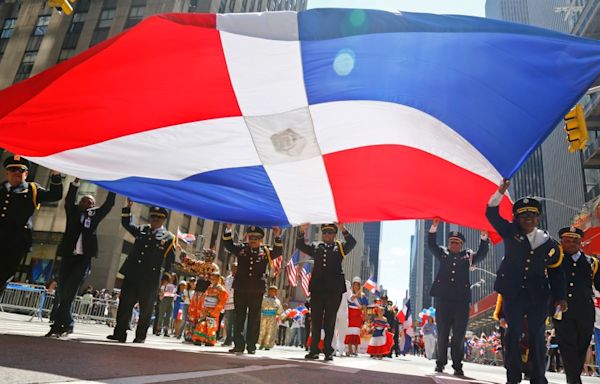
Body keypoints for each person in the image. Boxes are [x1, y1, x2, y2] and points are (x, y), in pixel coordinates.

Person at [486, 179, 567, 384]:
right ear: (516, 218)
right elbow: (491, 214)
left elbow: (556, 271)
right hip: (513, 293)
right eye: (523, 216)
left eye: (532, 215)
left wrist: (559, 297)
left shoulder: (549, 244)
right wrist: (500, 192)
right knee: (513, 334)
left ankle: (538, 378)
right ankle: (512, 378)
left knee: (537, 336)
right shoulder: (510, 232)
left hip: (538, 296)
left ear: (538, 218)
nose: (528, 219)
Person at [47, 178, 115, 337]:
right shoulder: (72, 212)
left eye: (90, 202)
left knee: (69, 292)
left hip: (83, 260)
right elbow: (69, 199)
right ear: (80, 203)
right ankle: (67, 324)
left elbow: (108, 206)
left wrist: (112, 188)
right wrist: (75, 183)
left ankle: (58, 325)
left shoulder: (95, 216)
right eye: (84, 200)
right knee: (62, 291)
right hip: (68, 257)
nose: (87, 203)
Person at [107, 201, 176, 343]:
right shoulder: (142, 229)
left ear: (163, 220)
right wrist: (127, 208)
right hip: (133, 273)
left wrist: (166, 277)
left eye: (158, 218)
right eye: (152, 217)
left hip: (150, 278)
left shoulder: (168, 237)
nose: (154, 221)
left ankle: (140, 336)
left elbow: (170, 261)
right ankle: (119, 333)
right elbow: (126, 224)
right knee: (125, 304)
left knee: (146, 308)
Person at [428, 218, 489, 375]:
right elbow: (431, 245)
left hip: (461, 302)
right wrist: (434, 227)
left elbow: (482, 254)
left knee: (459, 335)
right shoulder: (443, 253)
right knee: (442, 333)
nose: (454, 245)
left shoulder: (467, 256)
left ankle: (457, 365)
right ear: (449, 243)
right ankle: (440, 363)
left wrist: (483, 237)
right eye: (452, 242)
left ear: (461, 245)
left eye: (457, 243)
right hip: (443, 300)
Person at [0, 156, 63, 294]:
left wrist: (56, 174)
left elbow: (55, 195)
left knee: (4, 276)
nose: (16, 172)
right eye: (12, 169)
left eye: (21, 170)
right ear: (7, 173)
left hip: (16, 242)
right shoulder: (1, 188)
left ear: (26, 173)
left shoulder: (33, 189)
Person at [297, 223, 357, 361]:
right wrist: (301, 231)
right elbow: (300, 245)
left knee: (330, 321)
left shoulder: (340, 247)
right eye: (325, 233)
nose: (327, 235)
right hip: (317, 289)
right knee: (316, 321)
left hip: (334, 290)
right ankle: (314, 350)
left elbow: (352, 242)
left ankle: (328, 351)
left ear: (335, 234)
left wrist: (343, 228)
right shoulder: (316, 247)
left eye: (330, 232)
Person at [222, 224, 282, 354]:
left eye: (256, 238)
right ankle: (238, 344)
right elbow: (228, 245)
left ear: (260, 239)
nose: (253, 240)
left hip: (256, 290)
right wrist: (228, 229)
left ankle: (251, 345)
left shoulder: (265, 252)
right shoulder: (242, 249)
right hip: (240, 288)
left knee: (254, 319)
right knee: (239, 318)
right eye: (251, 237)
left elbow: (278, 252)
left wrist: (277, 236)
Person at [553, 226, 600, 384]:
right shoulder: (555, 261)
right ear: (562, 242)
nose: (571, 244)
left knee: (582, 346)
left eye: (575, 241)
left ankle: (574, 377)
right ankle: (573, 380)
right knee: (568, 347)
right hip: (563, 311)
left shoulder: (592, 263)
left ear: (581, 243)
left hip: (585, 312)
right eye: (567, 241)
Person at [190, 271, 228, 346]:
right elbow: (203, 298)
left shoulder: (221, 289)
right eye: (211, 278)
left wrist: (216, 310)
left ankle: (210, 341)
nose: (212, 280)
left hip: (213, 310)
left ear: (218, 279)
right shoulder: (209, 287)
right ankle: (198, 339)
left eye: (214, 278)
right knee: (201, 324)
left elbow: (222, 301)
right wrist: (202, 308)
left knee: (211, 326)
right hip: (205, 309)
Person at [344, 277, 367, 356]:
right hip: (350, 314)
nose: (356, 287)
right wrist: (358, 293)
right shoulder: (350, 293)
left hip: (357, 315)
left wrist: (365, 316)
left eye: (357, 285)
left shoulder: (363, 296)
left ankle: (356, 350)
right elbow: (352, 298)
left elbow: (364, 307)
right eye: (355, 285)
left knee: (356, 332)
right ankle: (350, 350)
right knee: (349, 332)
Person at [258, 285, 284, 350]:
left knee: (270, 331)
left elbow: (280, 310)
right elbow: (259, 306)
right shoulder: (264, 298)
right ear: (268, 291)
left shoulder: (277, 301)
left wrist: (283, 317)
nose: (273, 292)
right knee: (262, 330)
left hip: (272, 317)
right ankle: (261, 343)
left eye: (274, 291)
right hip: (263, 316)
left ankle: (268, 344)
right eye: (271, 291)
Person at [222, 262, 237, 346]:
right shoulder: (227, 278)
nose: (234, 269)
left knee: (234, 323)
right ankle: (228, 339)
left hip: (236, 303)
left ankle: (234, 340)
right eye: (232, 267)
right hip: (227, 303)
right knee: (227, 322)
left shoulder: (240, 278)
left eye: (236, 267)